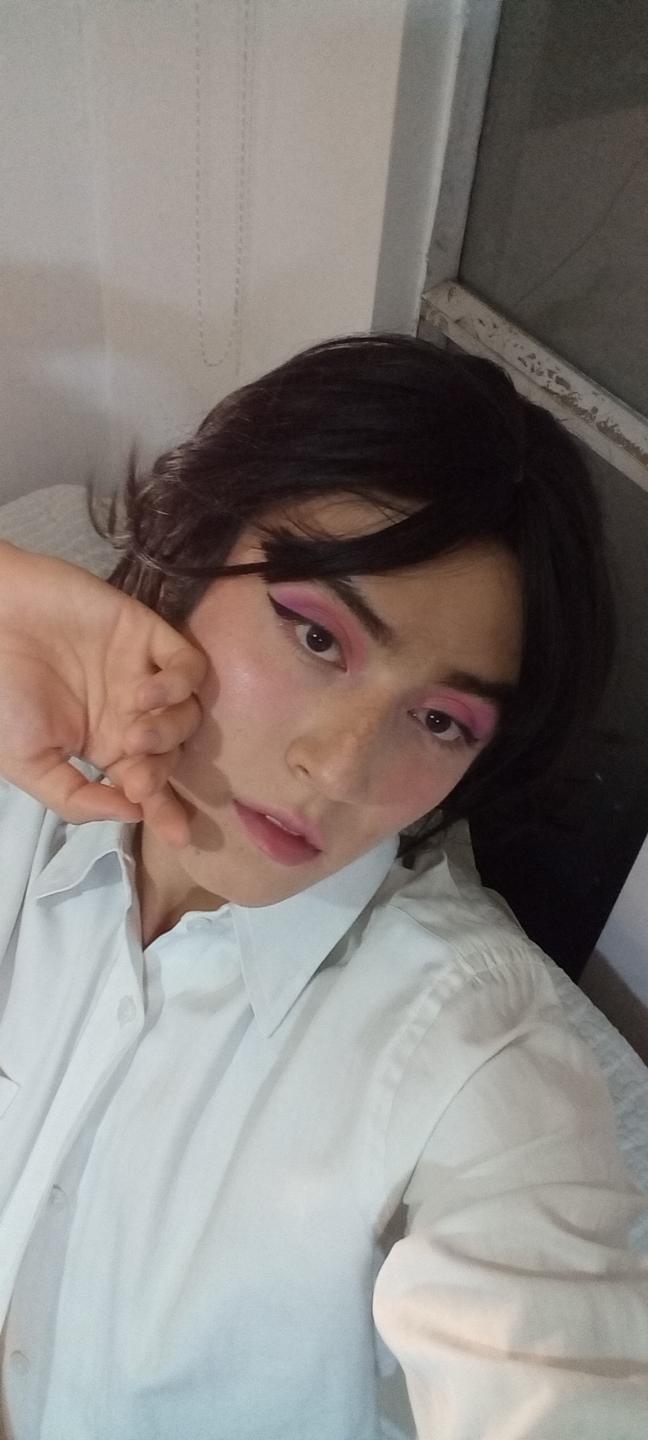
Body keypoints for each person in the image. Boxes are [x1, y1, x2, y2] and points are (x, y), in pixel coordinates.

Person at [0, 334, 646, 1439]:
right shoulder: (31, 772)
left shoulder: (474, 1058)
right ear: (194, 545)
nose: (341, 770)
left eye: (438, 721)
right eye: (315, 635)